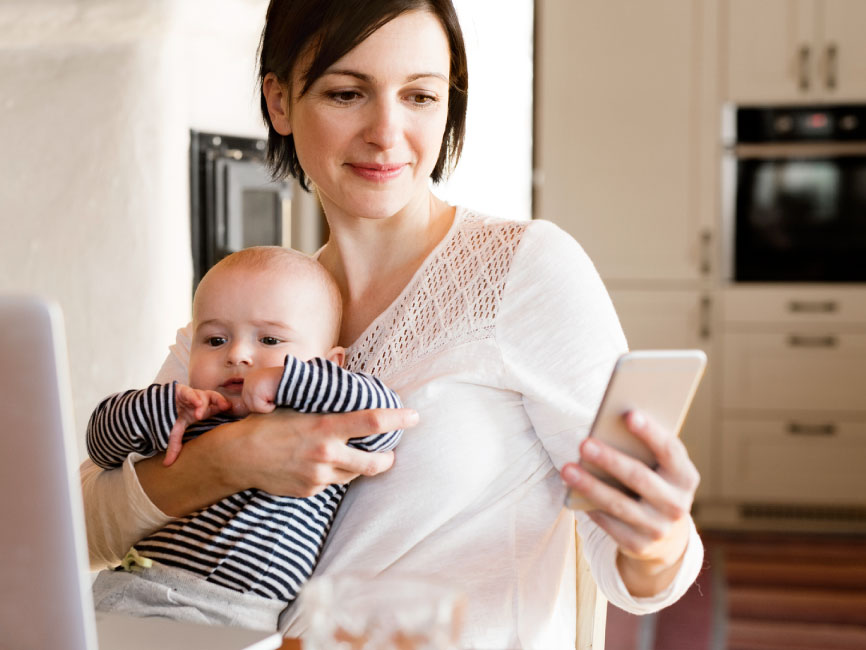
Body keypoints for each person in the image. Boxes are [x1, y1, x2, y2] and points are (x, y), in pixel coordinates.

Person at [79, 1, 705, 646]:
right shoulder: (249, 305)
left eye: (421, 96)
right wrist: (237, 456)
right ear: (280, 102)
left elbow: (638, 569)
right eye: (347, 93)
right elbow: (87, 525)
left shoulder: (523, 268)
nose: (387, 132)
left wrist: (658, 538)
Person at [86, 246, 402, 632]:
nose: (238, 354)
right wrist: (164, 405)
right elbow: (101, 444)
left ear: (330, 364)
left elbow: (384, 421)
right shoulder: (193, 412)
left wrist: (288, 381)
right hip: (133, 594)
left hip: (236, 619)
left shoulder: (323, 419)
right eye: (215, 340)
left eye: (270, 341)